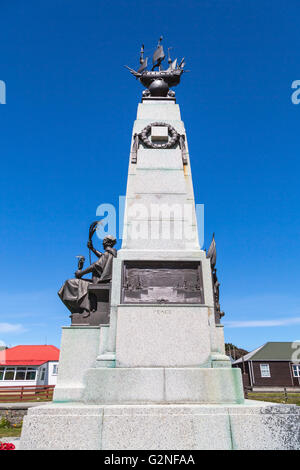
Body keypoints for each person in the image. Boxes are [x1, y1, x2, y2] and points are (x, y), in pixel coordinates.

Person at [58, 235, 117, 315]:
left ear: (108, 242)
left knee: (69, 283)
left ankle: (82, 309)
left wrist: (80, 273)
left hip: (98, 283)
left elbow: (95, 266)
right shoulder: (110, 254)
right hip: (98, 281)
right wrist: (92, 249)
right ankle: (79, 309)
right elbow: (102, 256)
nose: (102, 242)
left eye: (104, 240)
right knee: (69, 284)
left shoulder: (108, 254)